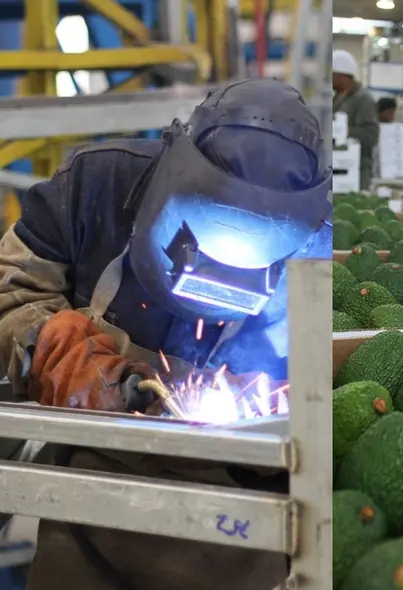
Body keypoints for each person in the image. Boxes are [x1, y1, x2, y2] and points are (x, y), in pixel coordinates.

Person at [0, 79, 332, 589]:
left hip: (237, 525)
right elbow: (12, 290)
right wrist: (53, 348)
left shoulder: (319, 254)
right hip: (90, 501)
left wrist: (293, 423)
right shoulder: (97, 184)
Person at [332, 49, 378, 190]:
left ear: (343, 75)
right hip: (338, 168)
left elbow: (371, 135)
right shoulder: (337, 98)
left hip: (356, 173)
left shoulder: (363, 99)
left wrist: (341, 132)